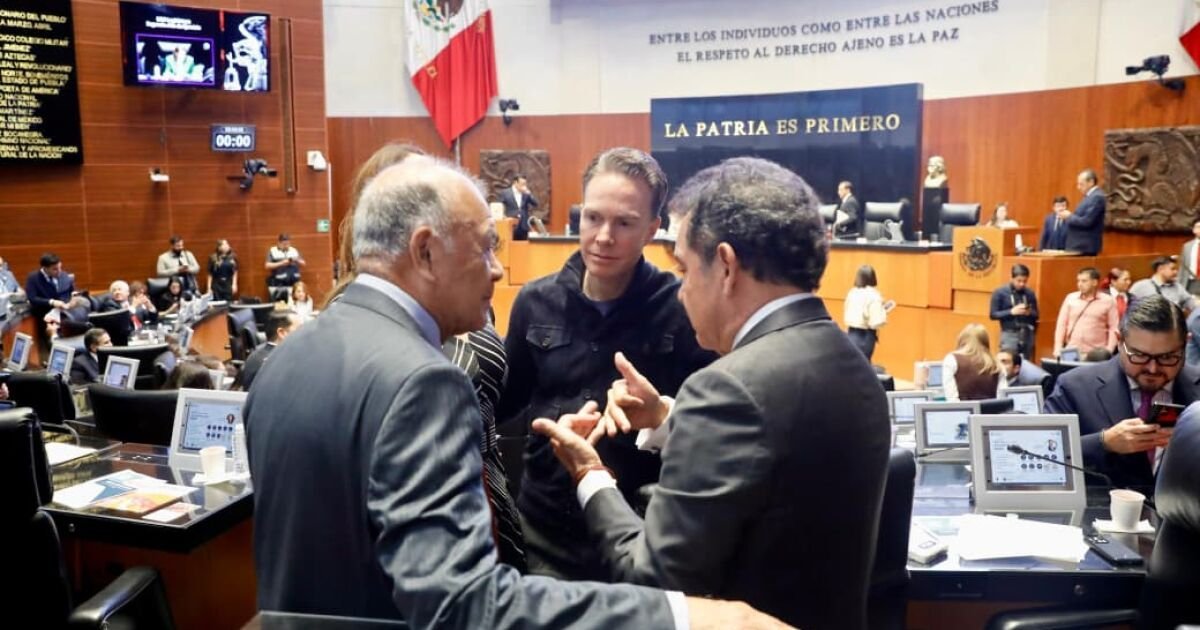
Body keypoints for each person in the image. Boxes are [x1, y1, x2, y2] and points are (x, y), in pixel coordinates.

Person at [243, 158, 785, 629]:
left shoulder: (288, 354)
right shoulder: (424, 382)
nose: (499, 269)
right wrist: (680, 617)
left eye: (623, 222)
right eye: (485, 247)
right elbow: (462, 606)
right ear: (425, 251)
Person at [531, 157, 890, 630]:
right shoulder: (851, 362)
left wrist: (589, 474)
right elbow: (770, 459)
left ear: (725, 265)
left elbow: (654, 579)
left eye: (684, 269)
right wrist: (664, 418)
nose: (680, 292)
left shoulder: (727, 386)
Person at [498, 147, 715, 581]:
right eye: (593, 217)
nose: (603, 237)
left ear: (652, 229)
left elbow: (710, 427)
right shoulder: (535, 301)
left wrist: (659, 411)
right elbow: (503, 404)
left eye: (624, 223)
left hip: (639, 537)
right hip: (543, 532)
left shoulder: (682, 309)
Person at [1045, 295, 1200, 492]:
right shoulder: (1074, 387)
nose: (1152, 369)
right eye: (1139, 356)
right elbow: (1043, 452)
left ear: (1186, 343)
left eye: (1167, 357)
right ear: (1119, 341)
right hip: (1102, 508)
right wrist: (1103, 442)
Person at [1054, 267, 1118, 357]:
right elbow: (1061, 324)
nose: (1080, 284)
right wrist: (1058, 347)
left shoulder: (1108, 301)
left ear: (1094, 282)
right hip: (1071, 351)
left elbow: (1114, 327)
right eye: (1078, 281)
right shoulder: (1070, 298)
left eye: (1084, 281)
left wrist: (1109, 350)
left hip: (1096, 353)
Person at [237, 309, 300, 391]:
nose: (303, 333)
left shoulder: (259, 352)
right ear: (282, 333)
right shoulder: (280, 364)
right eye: (299, 329)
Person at [942, 323, 1003, 401]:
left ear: (962, 339)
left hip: (964, 409)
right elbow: (1002, 398)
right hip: (992, 409)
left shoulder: (951, 359)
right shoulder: (997, 364)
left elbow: (952, 400)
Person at [989, 264, 1039, 358]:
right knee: (1007, 360)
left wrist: (1029, 312)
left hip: (1027, 333)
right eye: (1019, 281)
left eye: (1025, 281)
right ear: (1012, 278)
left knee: (1026, 363)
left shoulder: (1029, 293)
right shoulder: (1000, 292)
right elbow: (993, 314)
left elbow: (1036, 315)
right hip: (1009, 333)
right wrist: (1011, 312)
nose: (1022, 284)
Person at [843, 264, 890, 360]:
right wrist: (883, 311)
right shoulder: (874, 296)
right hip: (865, 336)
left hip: (851, 333)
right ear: (873, 277)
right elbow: (876, 322)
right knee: (864, 363)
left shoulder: (852, 293)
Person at [1056, 168, 1106, 255]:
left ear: (1091, 182)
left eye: (1081, 184)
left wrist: (1069, 216)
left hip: (1084, 246)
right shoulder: (1089, 197)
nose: (1078, 187)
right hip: (1078, 245)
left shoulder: (1097, 197)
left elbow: (1087, 221)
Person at [1129, 256, 1196, 314]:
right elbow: (1128, 307)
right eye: (1172, 269)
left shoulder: (1177, 287)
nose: (1176, 272)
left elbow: (1191, 304)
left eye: (1176, 269)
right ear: (1160, 269)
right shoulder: (1141, 286)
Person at [265, 233, 305, 300]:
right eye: (284, 244)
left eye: (288, 244)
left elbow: (303, 263)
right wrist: (281, 263)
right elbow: (267, 266)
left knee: (294, 301)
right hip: (279, 284)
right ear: (279, 243)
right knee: (281, 302)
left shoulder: (294, 250)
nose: (286, 246)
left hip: (294, 283)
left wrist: (296, 260)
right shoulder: (273, 251)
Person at [501, 174, 540, 241]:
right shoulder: (505, 193)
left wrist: (529, 194)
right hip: (511, 225)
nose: (524, 186)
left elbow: (536, 204)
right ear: (515, 182)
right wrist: (504, 217)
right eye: (522, 184)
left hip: (523, 226)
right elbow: (499, 206)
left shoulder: (526, 194)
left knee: (523, 245)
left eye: (525, 184)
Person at [1179, 217, 1200, 295]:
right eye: (1198, 227)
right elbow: (1182, 267)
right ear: (1194, 230)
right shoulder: (1187, 246)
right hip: (1190, 282)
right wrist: (1179, 285)